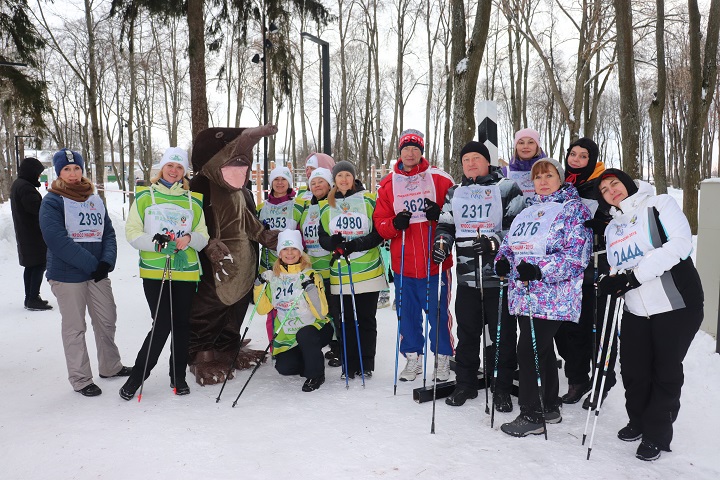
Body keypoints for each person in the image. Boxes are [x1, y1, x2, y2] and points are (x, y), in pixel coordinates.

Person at [596, 169, 703, 461]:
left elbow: (680, 245)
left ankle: (657, 432)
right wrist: (611, 280)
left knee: (664, 371)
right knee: (634, 370)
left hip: (676, 304)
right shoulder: (612, 228)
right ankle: (639, 420)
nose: (611, 190)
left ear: (628, 184)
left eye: (615, 183)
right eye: (605, 189)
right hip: (635, 309)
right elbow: (617, 265)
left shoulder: (659, 205)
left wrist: (634, 277)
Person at [494, 158, 592, 436]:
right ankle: (549, 405)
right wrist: (503, 261)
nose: (543, 181)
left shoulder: (573, 210)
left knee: (528, 350)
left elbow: (576, 257)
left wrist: (540, 269)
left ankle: (532, 413)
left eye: (549, 175)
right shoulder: (529, 208)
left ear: (560, 179)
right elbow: (511, 244)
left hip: (554, 295)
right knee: (541, 349)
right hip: (525, 294)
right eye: (538, 177)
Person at [433, 141, 525, 409]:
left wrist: (494, 241)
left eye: (476, 158)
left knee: (502, 335)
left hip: (499, 277)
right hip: (467, 277)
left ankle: (501, 387)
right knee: (468, 332)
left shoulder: (506, 188)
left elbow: (517, 228)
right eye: (466, 160)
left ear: (487, 162)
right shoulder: (455, 192)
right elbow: (446, 224)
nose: (471, 164)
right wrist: (441, 243)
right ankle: (466, 383)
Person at [39, 149, 130, 397]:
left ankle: (110, 366)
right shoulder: (52, 201)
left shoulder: (94, 198)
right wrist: (93, 264)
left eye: (76, 168)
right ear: (59, 172)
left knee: (107, 319)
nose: (72, 173)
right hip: (67, 275)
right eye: (67, 169)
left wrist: (107, 261)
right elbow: (56, 239)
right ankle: (80, 379)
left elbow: (108, 233)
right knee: (75, 328)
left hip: (97, 273)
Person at [120, 147, 209, 400]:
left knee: (181, 325)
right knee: (161, 325)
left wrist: (190, 238)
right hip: (155, 270)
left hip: (185, 271)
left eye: (179, 167)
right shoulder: (146, 196)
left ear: (184, 172)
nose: (174, 171)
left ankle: (177, 375)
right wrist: (156, 242)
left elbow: (203, 236)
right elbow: (133, 233)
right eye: (170, 166)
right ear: (161, 168)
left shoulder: (193, 200)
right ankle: (137, 377)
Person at [374, 129, 455, 382]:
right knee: (407, 315)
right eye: (406, 148)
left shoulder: (440, 179)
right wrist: (395, 224)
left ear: (421, 151)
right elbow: (380, 223)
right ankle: (413, 359)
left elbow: (455, 215)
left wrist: (438, 214)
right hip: (404, 264)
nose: (410, 153)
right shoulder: (388, 183)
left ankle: (442, 359)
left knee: (438, 314)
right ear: (400, 152)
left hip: (435, 262)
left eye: (415, 148)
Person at [555, 137, 619, 409]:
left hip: (598, 264)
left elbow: (618, 214)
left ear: (592, 159)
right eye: (573, 154)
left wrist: (603, 223)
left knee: (599, 326)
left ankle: (603, 378)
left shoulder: (602, 182)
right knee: (571, 327)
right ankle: (577, 378)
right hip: (571, 267)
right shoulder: (563, 183)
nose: (577, 159)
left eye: (583, 156)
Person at [318, 161, 386, 378]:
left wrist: (355, 245)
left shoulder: (368, 199)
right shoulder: (326, 205)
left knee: (366, 318)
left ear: (354, 177)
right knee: (345, 320)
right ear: (334, 180)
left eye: (348, 175)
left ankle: (366, 364)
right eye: (340, 176)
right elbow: (322, 238)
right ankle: (350, 364)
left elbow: (378, 234)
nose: (344, 179)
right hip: (341, 273)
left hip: (368, 271)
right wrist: (332, 243)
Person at [254, 230, 331, 391]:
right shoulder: (274, 278)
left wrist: (310, 289)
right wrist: (258, 285)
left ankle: (316, 374)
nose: (290, 253)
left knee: (305, 334)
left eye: (294, 249)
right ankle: (310, 357)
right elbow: (262, 309)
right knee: (284, 368)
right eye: (285, 249)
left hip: (315, 329)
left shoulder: (311, 275)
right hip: (289, 334)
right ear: (279, 253)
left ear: (301, 252)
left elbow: (321, 313)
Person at [298, 167, 341, 367]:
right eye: (313, 183)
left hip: (332, 268)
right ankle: (330, 343)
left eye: (320, 182)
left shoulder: (335, 205)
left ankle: (341, 348)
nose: (316, 186)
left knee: (336, 310)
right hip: (313, 269)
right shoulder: (307, 208)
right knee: (321, 311)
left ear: (329, 184)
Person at [11, 157, 52, 311]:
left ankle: (30, 297)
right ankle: (33, 298)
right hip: (32, 234)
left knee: (31, 266)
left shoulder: (19, 184)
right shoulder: (26, 188)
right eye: (38, 173)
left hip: (26, 232)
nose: (39, 177)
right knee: (39, 264)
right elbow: (36, 209)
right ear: (31, 172)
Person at [502, 128, 547, 204]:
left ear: (537, 146)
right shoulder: (505, 172)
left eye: (531, 142)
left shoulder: (550, 169)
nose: (525, 146)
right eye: (521, 143)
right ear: (516, 146)